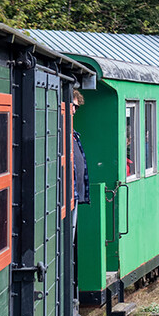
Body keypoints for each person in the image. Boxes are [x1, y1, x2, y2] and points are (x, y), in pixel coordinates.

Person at [72, 91, 90, 239]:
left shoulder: (73, 134)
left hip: (75, 194)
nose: (73, 110)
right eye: (72, 105)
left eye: (76, 107)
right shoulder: (61, 131)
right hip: (67, 196)